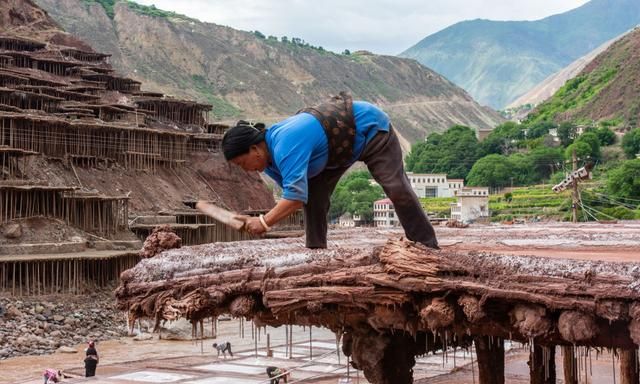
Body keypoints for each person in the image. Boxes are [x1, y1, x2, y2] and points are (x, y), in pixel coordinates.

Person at [222, 92, 438, 249]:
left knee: (396, 187)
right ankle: (316, 249)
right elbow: (299, 194)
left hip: (369, 129)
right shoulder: (268, 164)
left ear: (254, 149)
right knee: (314, 196)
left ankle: (426, 244)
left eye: (242, 164)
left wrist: (263, 222)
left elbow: (294, 198)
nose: (246, 170)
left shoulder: (285, 145)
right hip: (334, 151)